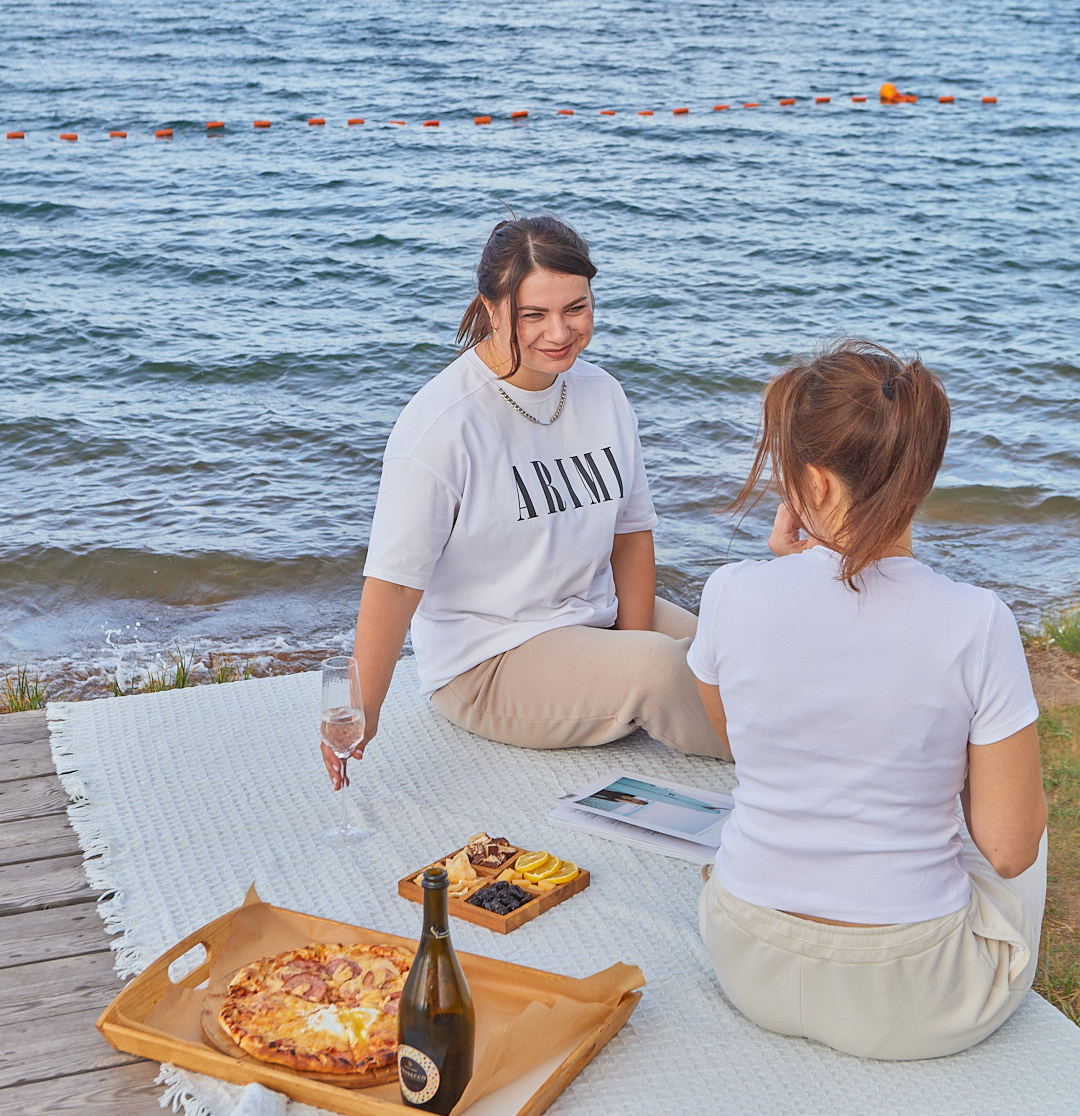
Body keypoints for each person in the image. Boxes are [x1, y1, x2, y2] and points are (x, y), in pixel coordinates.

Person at [689, 339, 1046, 1061]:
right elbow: (1009, 853)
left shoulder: (729, 593)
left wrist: (792, 570)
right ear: (920, 472)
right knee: (1022, 824)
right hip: (913, 996)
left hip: (749, 956)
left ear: (814, 483)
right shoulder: (977, 621)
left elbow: (744, 742)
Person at [323, 214, 724, 785]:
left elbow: (631, 534)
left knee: (726, 646)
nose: (559, 333)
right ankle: (802, 762)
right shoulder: (443, 424)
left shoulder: (603, 394)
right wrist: (366, 710)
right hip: (489, 660)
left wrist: (629, 640)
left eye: (576, 308)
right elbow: (394, 583)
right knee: (661, 671)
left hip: (593, 616)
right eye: (533, 314)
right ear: (492, 309)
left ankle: (832, 727)